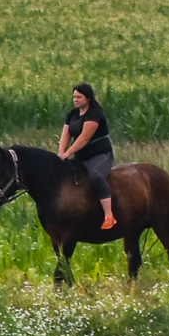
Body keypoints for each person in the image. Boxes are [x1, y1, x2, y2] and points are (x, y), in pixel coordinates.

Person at [58, 83, 117, 230]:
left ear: (88, 98)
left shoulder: (95, 113)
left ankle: (109, 215)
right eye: (74, 97)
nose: (75, 100)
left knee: (96, 176)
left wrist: (68, 152)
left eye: (79, 97)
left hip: (99, 154)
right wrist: (60, 153)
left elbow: (84, 137)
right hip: (81, 156)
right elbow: (66, 134)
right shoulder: (72, 114)